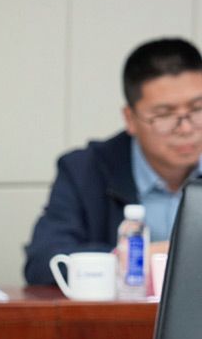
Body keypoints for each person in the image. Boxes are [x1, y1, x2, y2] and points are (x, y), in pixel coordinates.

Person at [25, 37, 202, 285]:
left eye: (197, 109)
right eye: (164, 115)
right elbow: (43, 261)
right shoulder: (85, 170)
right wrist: (136, 258)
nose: (186, 128)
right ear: (130, 119)